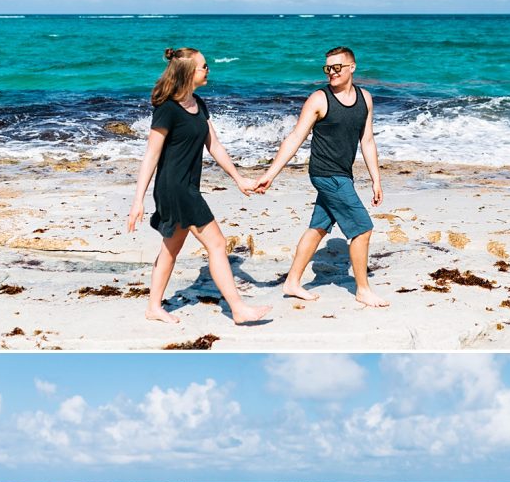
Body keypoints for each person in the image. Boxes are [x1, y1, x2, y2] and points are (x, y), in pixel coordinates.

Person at [128, 47, 270, 325]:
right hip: (175, 188)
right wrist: (138, 200)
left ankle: (153, 307)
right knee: (217, 244)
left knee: (171, 248)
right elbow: (151, 155)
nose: (208, 70)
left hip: (187, 185)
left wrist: (239, 179)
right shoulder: (167, 109)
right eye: (204, 66)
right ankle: (238, 309)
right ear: (188, 72)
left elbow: (213, 144)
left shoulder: (198, 103)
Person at [254, 47, 389, 308]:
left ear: (352, 67)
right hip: (326, 174)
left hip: (343, 174)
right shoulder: (319, 99)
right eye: (328, 68)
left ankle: (292, 282)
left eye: (337, 67)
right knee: (362, 229)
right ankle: (363, 290)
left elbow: (368, 141)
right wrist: (270, 175)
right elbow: (294, 137)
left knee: (317, 228)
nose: (331, 72)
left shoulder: (365, 99)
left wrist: (376, 179)